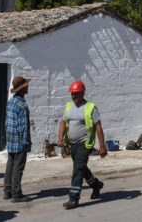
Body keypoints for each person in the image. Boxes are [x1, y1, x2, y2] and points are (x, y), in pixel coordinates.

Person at [57, 80, 107, 210]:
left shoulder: (90, 107)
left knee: (78, 169)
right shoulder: (69, 106)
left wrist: (102, 146)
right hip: (72, 144)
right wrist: (60, 138)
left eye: (76, 94)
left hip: (84, 144)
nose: (73, 96)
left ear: (83, 93)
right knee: (82, 168)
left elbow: (98, 127)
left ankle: (74, 198)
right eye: (72, 94)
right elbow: (63, 123)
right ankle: (96, 185)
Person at [4, 76, 32, 203]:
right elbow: (24, 127)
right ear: (21, 89)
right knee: (18, 167)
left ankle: (7, 191)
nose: (27, 86)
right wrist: (26, 143)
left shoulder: (10, 102)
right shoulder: (22, 105)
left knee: (10, 164)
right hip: (19, 141)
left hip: (10, 139)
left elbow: (6, 122)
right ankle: (16, 193)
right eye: (25, 85)